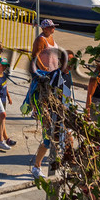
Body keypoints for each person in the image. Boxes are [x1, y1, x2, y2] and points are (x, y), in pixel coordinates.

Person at [27, 18, 68, 179]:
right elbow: (35, 57)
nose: (53, 29)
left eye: (53, 27)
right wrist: (45, 72)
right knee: (48, 134)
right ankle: (37, 166)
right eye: (51, 27)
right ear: (45, 28)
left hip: (54, 77)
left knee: (57, 132)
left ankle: (52, 161)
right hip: (46, 78)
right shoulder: (41, 40)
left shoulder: (51, 39)